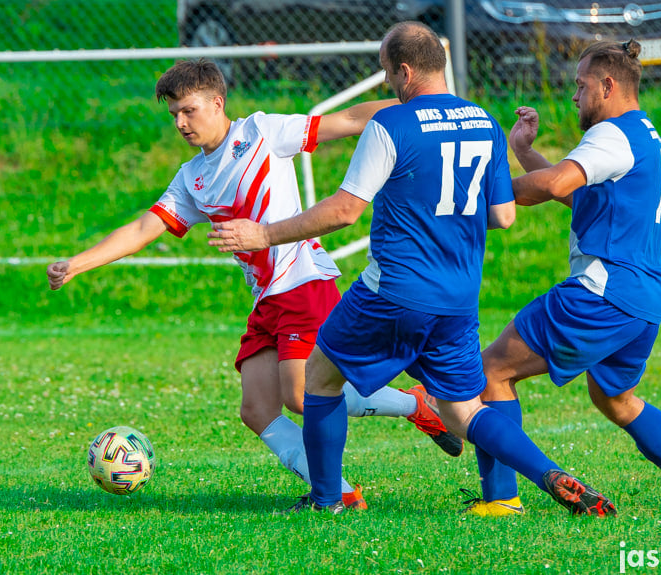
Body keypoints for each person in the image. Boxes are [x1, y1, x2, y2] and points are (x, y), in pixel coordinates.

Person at [210, 21, 617, 516]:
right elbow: (504, 216)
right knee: (465, 410)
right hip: (459, 300)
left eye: (386, 72)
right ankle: (548, 473)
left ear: (404, 70)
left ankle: (326, 500)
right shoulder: (484, 122)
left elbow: (344, 211)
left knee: (318, 380)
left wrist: (264, 234)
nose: (386, 83)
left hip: (392, 293)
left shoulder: (392, 125)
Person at [46, 58, 465, 510]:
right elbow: (144, 228)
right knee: (258, 409)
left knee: (303, 396)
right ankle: (344, 487)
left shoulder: (262, 132)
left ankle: (409, 409)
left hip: (303, 281)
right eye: (173, 115)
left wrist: (429, 108)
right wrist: (78, 263)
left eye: (188, 110)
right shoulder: (191, 178)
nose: (181, 123)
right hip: (266, 298)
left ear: (217, 102)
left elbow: (348, 120)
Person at [465, 39, 661, 517]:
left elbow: (555, 185)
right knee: (615, 398)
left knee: (491, 371)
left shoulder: (611, 135)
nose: (574, 95)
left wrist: (476, 198)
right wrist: (523, 151)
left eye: (581, 85)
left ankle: (502, 499)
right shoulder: (646, 136)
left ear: (608, 86)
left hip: (601, 293)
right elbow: (580, 197)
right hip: (643, 300)